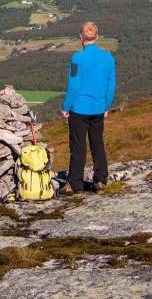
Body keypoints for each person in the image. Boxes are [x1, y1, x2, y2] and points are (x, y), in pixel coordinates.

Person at [61, 21, 116, 193]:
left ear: (81, 37)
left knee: (78, 146)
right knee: (97, 143)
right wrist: (106, 106)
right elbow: (111, 85)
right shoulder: (108, 57)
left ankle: (75, 184)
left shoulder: (77, 58)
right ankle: (100, 181)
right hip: (99, 109)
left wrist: (65, 107)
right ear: (97, 36)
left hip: (78, 109)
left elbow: (74, 85)